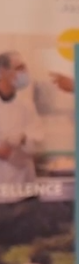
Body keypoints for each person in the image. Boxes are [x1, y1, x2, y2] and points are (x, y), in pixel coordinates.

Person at [0, 51, 45, 195]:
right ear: (2, 72)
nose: (24, 73)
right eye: (19, 68)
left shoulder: (26, 105)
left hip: (24, 187)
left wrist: (23, 138)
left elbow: (38, 140)